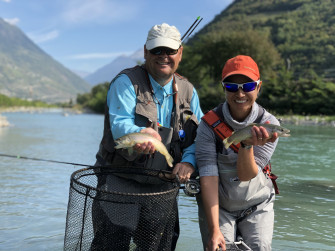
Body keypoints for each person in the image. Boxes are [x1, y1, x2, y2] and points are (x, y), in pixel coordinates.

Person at [91, 23, 203, 250]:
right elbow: (120, 123)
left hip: (162, 189)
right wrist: (138, 134)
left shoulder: (189, 91)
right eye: (156, 50)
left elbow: (199, 137)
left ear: (180, 53)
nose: (164, 56)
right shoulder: (125, 82)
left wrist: (188, 162)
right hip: (119, 182)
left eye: (170, 51)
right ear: (145, 52)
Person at [195, 55, 280, 251]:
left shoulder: (269, 124)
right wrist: (214, 229)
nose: (240, 94)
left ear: (258, 87)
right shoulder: (208, 125)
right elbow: (208, 175)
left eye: (248, 86)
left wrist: (246, 146)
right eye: (232, 87)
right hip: (220, 206)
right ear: (223, 88)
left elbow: (246, 175)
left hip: (258, 204)